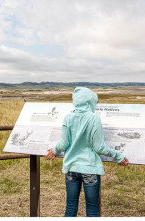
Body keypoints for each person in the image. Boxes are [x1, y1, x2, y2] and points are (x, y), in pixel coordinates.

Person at [46, 87, 129, 217]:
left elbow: (64, 143)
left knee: (71, 207)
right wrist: (118, 156)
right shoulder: (94, 119)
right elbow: (99, 148)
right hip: (90, 169)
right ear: (90, 101)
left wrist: (53, 150)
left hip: (71, 168)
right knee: (92, 210)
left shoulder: (68, 117)